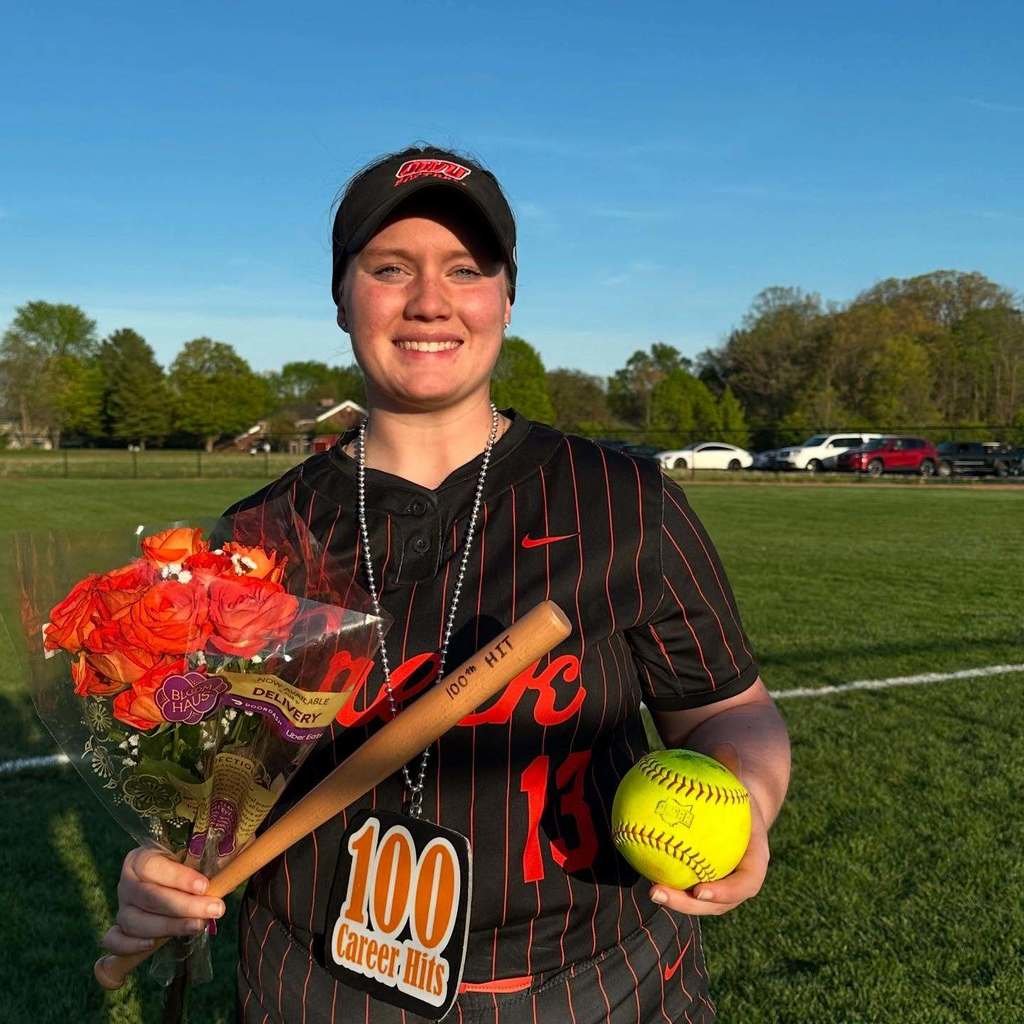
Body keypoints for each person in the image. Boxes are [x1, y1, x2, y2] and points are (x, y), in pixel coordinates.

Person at [104, 145, 791, 1022]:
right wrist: (168, 865)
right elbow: (213, 789)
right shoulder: (256, 541)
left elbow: (730, 708)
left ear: (505, 296)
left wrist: (750, 800)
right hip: (315, 991)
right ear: (342, 295)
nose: (430, 300)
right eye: (390, 269)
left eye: (466, 270)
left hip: (595, 987)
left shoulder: (625, 503)